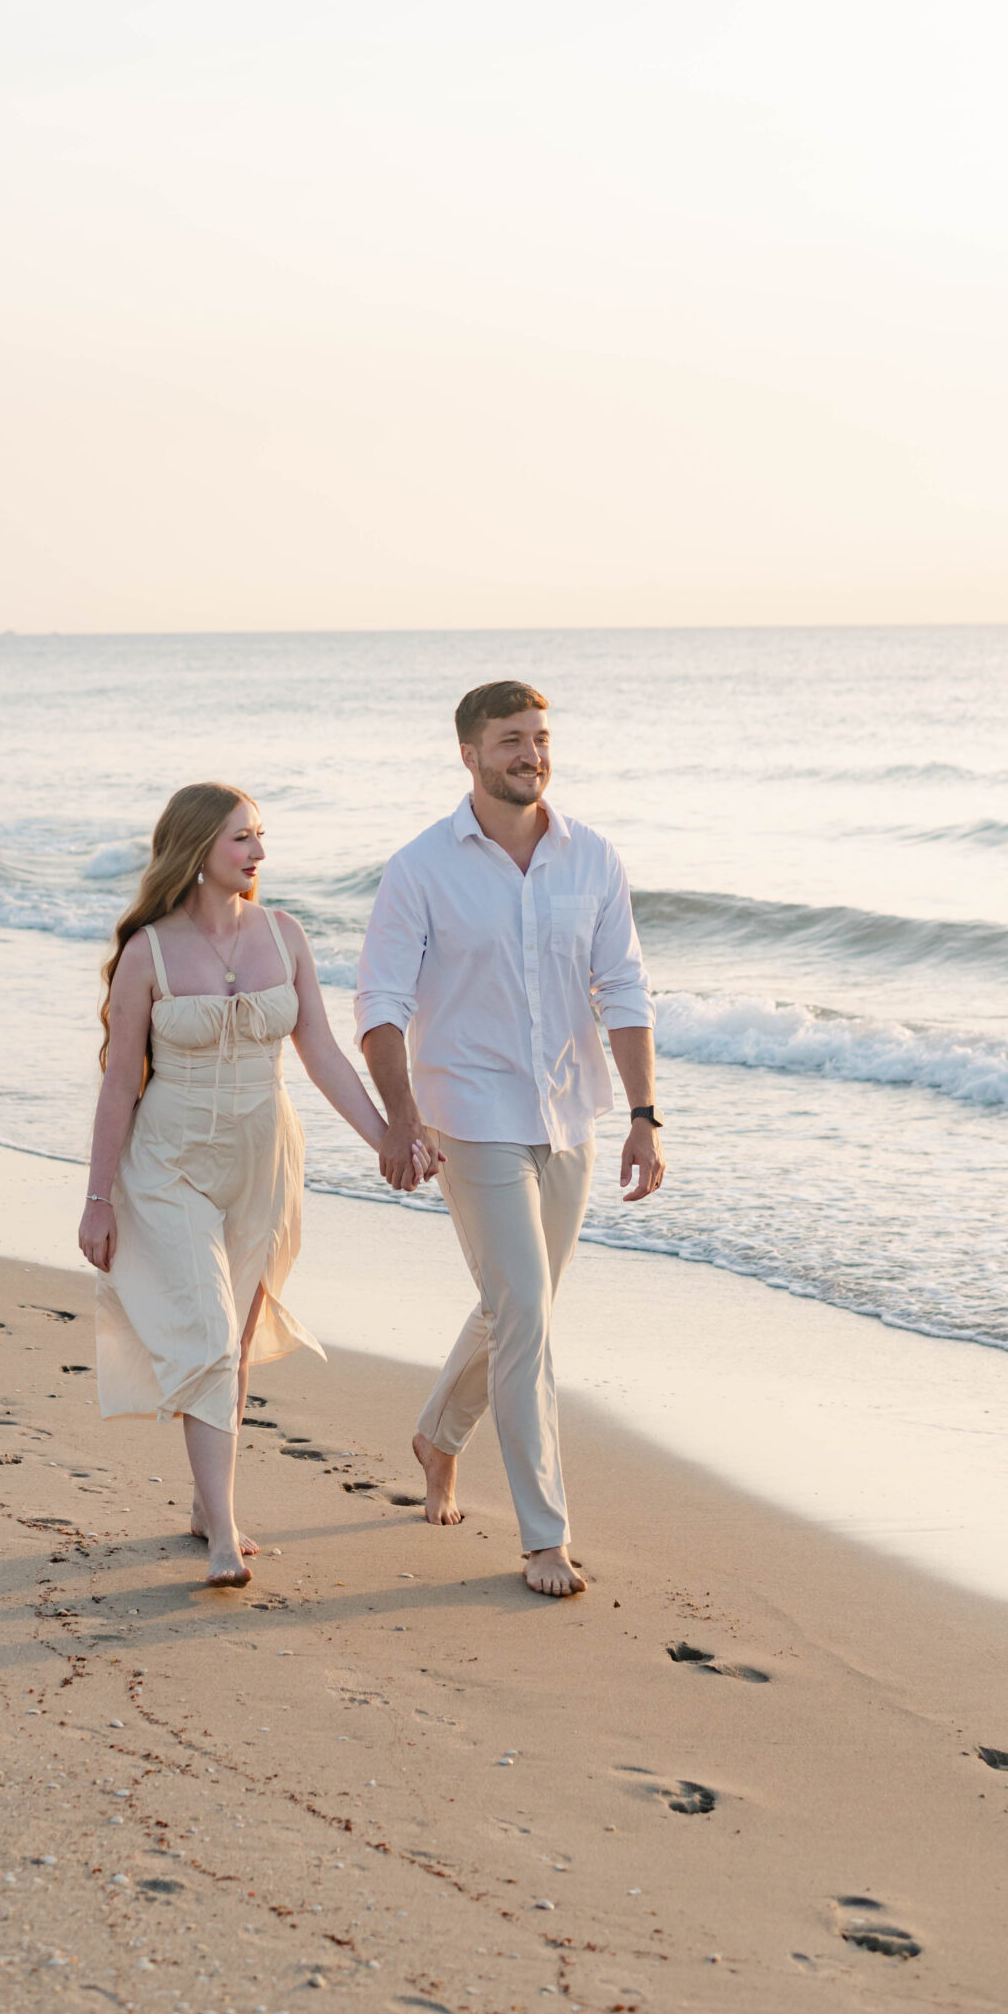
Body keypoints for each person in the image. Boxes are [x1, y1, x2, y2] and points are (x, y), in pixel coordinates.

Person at [355, 682, 663, 1598]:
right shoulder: (419, 868)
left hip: (568, 1113)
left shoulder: (592, 858)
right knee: (524, 1309)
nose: (530, 754)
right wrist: (401, 1118)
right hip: (469, 1118)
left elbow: (626, 990)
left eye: (538, 738)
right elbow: (379, 1005)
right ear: (469, 755)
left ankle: (435, 1436)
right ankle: (542, 1536)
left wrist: (645, 1116)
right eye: (509, 741)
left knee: (514, 1308)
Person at [79, 782, 413, 1587]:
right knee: (204, 1331)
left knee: (233, 1343)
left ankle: (204, 1501)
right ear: (196, 851)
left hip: (264, 1159)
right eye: (241, 839)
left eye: (260, 836)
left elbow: (323, 1055)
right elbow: (120, 1079)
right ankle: (223, 1532)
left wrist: (387, 1139)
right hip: (169, 1163)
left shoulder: (284, 934)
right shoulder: (147, 953)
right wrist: (96, 1199)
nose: (259, 853)